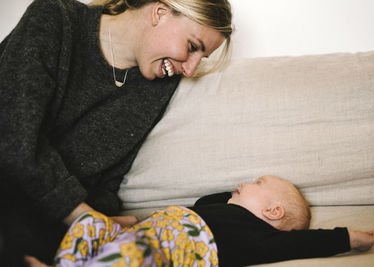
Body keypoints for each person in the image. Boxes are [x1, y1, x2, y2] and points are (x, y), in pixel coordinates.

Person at [0, 0, 232, 265]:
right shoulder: (55, 18)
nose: (190, 69)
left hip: (51, 220)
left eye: (200, 59)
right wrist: (82, 215)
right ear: (160, 12)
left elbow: (106, 180)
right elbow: (12, 135)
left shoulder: (158, 83)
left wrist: (101, 223)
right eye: (192, 47)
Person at [25, 175, 374, 267]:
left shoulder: (256, 238)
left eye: (256, 184)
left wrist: (349, 238)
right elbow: (202, 204)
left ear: (273, 213)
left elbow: (305, 242)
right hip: (142, 233)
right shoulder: (217, 209)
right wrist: (129, 221)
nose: (242, 183)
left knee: (134, 251)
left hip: (157, 253)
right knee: (89, 223)